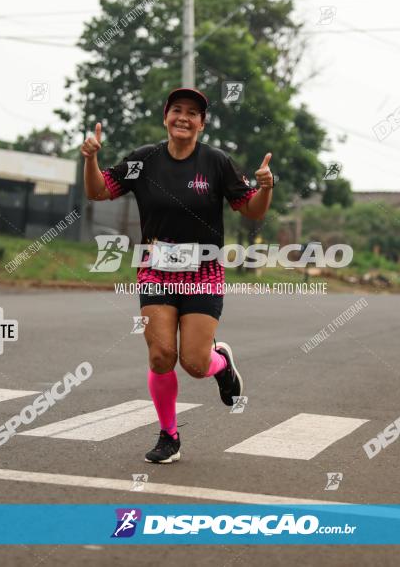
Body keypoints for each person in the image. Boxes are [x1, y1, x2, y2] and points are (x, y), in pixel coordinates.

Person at [81, 88, 273, 463]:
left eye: (193, 113)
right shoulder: (144, 160)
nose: (184, 117)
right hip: (155, 269)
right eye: (177, 110)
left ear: (202, 123)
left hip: (204, 270)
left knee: (195, 363)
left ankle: (221, 363)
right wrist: (90, 159)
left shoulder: (216, 162)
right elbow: (98, 190)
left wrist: (264, 188)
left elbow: (250, 210)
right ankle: (169, 436)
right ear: (166, 117)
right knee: (160, 356)